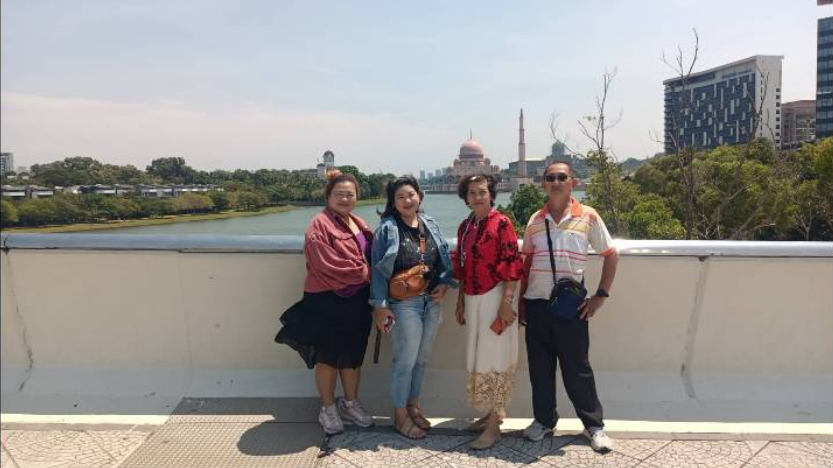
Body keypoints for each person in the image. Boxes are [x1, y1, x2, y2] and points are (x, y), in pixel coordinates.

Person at [518, 161, 619, 453]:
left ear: (572, 181)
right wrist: (523, 302)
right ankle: (544, 420)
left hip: (570, 307)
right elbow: (526, 264)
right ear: (544, 184)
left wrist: (600, 296)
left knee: (578, 369)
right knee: (540, 369)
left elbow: (611, 255)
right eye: (550, 177)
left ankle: (594, 426)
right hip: (537, 305)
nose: (556, 182)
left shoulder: (587, 216)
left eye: (562, 177)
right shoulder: (535, 220)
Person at [370, 175, 456, 439]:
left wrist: (444, 283)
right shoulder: (387, 228)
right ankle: (400, 417)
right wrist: (381, 306)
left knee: (421, 358)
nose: (407, 201)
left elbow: (441, 257)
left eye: (411, 195)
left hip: (431, 300)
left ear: (419, 196)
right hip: (403, 303)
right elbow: (377, 270)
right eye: (400, 197)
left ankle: (413, 405)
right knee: (405, 360)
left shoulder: (429, 223)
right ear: (393, 202)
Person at [452, 174, 524, 450]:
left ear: (491, 194)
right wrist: (460, 301)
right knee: (480, 355)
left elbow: (512, 265)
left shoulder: (502, 223)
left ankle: (494, 427)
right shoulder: (465, 227)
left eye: (482, 191)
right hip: (472, 298)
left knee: (496, 356)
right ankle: (491, 413)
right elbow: (462, 267)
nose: (477, 196)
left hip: (496, 298)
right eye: (472, 192)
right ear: (466, 197)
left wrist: (507, 302)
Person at [302, 170, 375, 435]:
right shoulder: (319, 225)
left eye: (350, 194)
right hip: (328, 300)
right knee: (328, 357)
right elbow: (327, 266)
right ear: (328, 196)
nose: (345, 198)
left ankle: (351, 403)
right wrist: (368, 272)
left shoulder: (358, 222)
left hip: (357, 301)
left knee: (353, 356)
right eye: (339, 194)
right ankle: (328, 407)